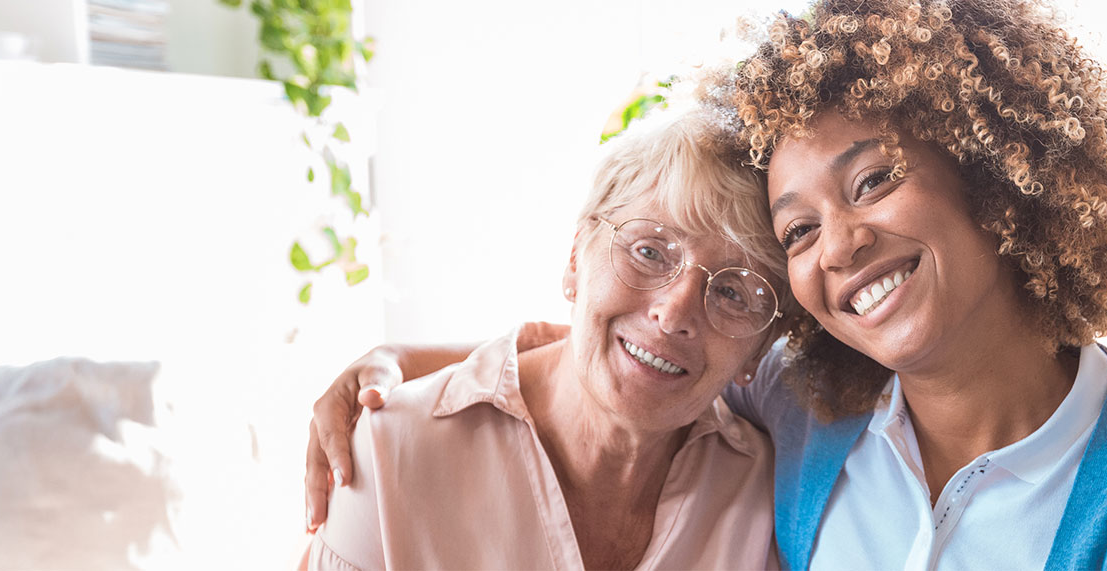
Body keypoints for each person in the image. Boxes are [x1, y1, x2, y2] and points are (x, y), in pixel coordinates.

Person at [305, 0, 1107, 568]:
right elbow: (628, 350)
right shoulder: (808, 404)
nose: (840, 246)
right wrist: (393, 365)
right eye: (798, 229)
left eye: (875, 180)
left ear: (991, 170)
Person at [302, 107, 791, 570]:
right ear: (577, 256)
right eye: (650, 251)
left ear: (762, 345)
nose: (673, 314)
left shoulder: (761, 492)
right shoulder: (390, 449)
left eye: (732, 292)